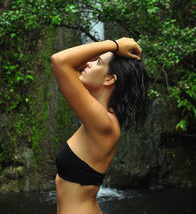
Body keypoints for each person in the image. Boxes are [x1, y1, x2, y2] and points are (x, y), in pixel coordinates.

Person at [51, 38, 148, 214]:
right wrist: (113, 50)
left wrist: (116, 45)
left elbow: (60, 61)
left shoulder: (102, 122)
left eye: (97, 62)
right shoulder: (103, 117)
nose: (87, 64)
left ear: (109, 79)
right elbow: (72, 64)